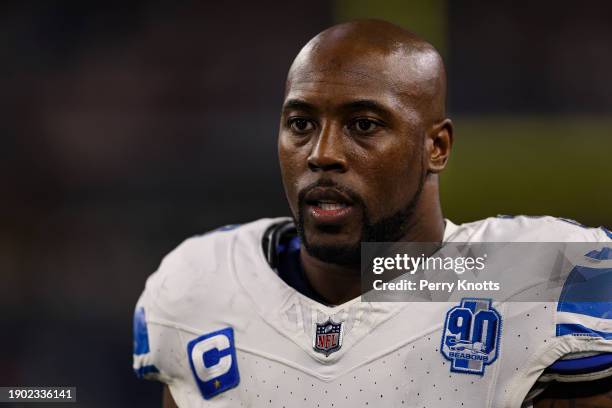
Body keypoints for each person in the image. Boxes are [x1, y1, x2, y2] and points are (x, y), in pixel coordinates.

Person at [133, 20, 612, 407]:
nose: (322, 153)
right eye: (300, 124)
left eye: (363, 125)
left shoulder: (541, 277)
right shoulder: (201, 284)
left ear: (437, 146)